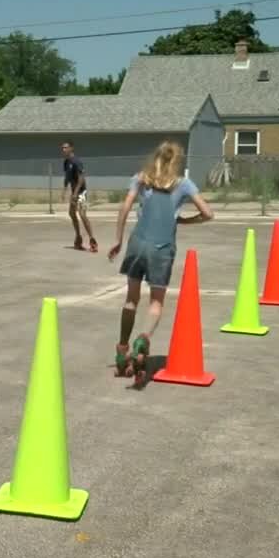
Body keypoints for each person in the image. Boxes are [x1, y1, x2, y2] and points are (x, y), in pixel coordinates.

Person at [107, 141, 214, 383]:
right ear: (177, 161)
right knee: (156, 302)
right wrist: (185, 221)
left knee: (131, 299)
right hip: (162, 248)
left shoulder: (141, 178)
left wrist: (118, 239)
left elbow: (125, 207)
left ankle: (122, 350)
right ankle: (143, 339)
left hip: (137, 243)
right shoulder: (183, 184)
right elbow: (208, 213)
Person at [60, 141, 98, 252]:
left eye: (65, 147)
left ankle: (92, 239)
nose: (63, 150)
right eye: (62, 148)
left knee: (82, 214)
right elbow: (67, 177)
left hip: (81, 192)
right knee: (71, 213)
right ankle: (78, 237)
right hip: (74, 192)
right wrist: (64, 190)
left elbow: (81, 178)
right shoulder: (66, 162)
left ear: (71, 148)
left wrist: (76, 193)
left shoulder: (77, 161)